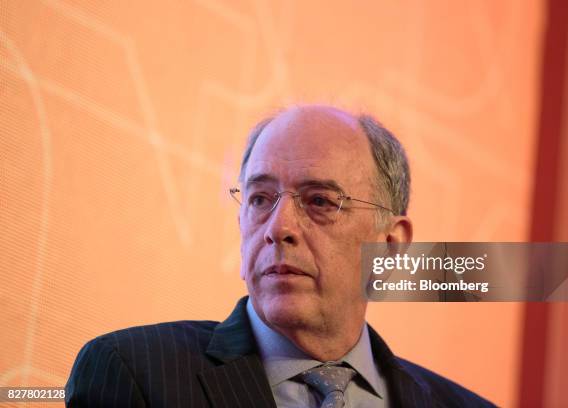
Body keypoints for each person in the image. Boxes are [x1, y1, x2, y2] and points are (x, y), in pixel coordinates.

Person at [65, 105, 495, 407]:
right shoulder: (136, 374)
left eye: (320, 201)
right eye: (260, 199)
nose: (279, 228)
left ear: (389, 247)